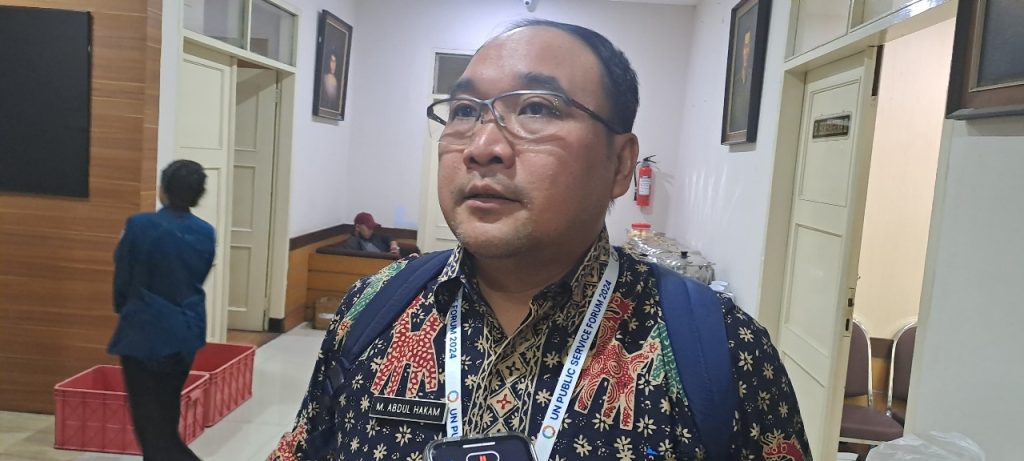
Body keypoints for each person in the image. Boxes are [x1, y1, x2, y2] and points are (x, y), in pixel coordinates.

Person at [269, 19, 809, 460]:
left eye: (537, 108)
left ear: (621, 164)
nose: (482, 146)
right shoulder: (371, 308)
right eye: (463, 112)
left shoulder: (723, 350)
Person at [107, 160, 215, 461]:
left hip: (144, 332)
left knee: (152, 432)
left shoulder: (139, 226)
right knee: (165, 417)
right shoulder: (206, 232)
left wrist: (125, 308)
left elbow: (123, 278)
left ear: (163, 189)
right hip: (186, 333)